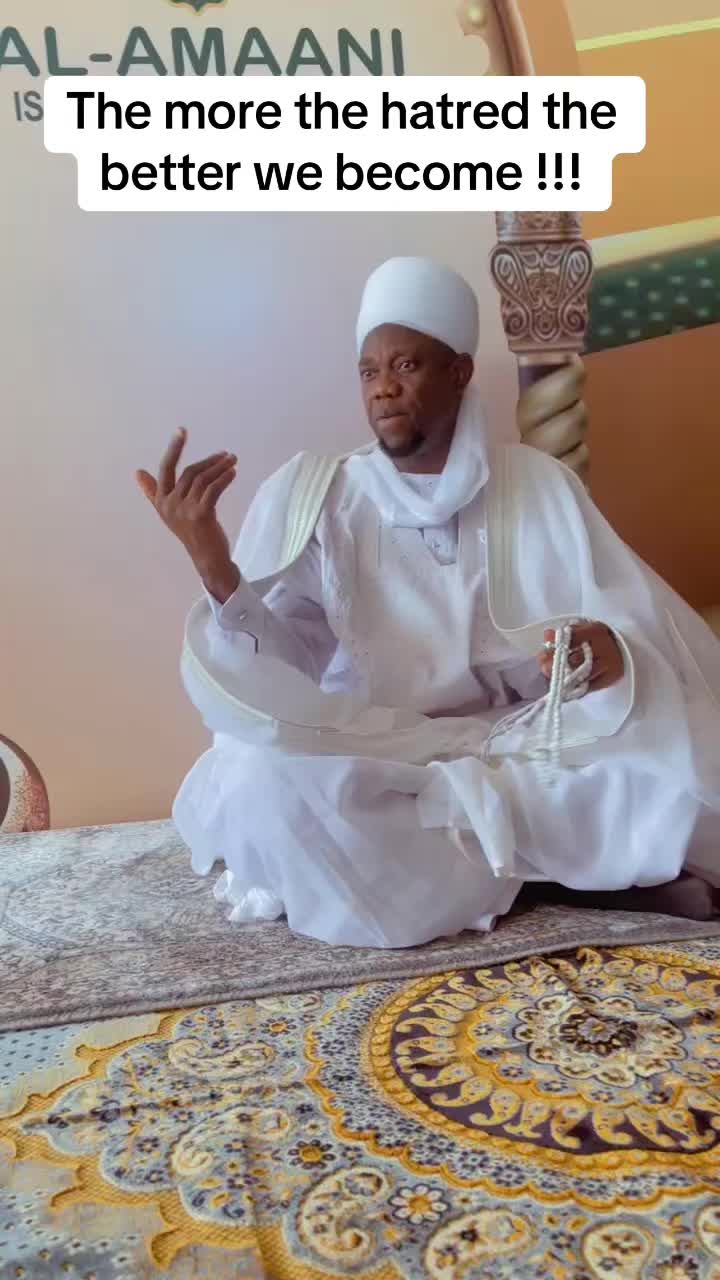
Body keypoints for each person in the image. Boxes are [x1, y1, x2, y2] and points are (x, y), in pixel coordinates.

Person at [137, 256, 720, 948]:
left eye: (406, 366)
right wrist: (213, 564)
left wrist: (605, 651)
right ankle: (566, 878)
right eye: (368, 372)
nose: (383, 388)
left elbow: (623, 627)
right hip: (379, 747)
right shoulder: (323, 495)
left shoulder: (535, 483)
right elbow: (284, 669)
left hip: (520, 740)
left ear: (459, 371)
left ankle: (525, 868)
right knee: (263, 781)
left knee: (679, 757)